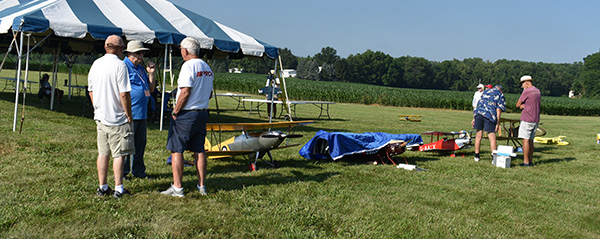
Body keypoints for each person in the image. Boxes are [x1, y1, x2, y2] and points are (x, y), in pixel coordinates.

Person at [161, 37, 213, 197]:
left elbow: (184, 92)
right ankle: (201, 186)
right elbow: (209, 93)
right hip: (202, 112)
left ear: (185, 51)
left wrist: (176, 111)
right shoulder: (207, 67)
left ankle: (178, 187)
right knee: (199, 149)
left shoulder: (188, 66)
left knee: (177, 149)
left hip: (187, 113)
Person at [87, 35, 134, 198]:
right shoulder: (120, 66)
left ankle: (102, 186)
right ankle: (119, 188)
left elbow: (91, 90)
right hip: (117, 117)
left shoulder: (96, 64)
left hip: (100, 116)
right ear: (119, 49)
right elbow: (124, 94)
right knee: (119, 154)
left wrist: (98, 107)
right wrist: (128, 113)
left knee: (103, 152)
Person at [122, 40, 156, 179]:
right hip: (130, 112)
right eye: (138, 53)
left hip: (142, 113)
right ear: (129, 53)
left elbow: (151, 89)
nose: (141, 55)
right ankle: (123, 173)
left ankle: (138, 171)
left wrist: (151, 74)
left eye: (142, 53)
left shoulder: (141, 68)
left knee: (140, 144)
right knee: (126, 144)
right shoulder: (123, 67)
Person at [472, 85, 506, 162]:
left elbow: (478, 104)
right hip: (489, 115)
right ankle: (494, 157)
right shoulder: (500, 95)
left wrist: (474, 117)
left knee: (478, 135)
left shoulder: (486, 91)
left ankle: (476, 156)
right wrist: (497, 123)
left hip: (478, 114)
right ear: (501, 90)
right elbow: (499, 110)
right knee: (492, 137)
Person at [516, 75, 541, 166]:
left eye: (522, 84)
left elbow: (517, 104)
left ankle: (525, 162)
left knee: (525, 140)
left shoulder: (527, 91)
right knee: (531, 140)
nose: (522, 86)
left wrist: (522, 106)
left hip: (526, 119)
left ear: (526, 82)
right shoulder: (537, 91)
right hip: (535, 119)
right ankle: (530, 160)